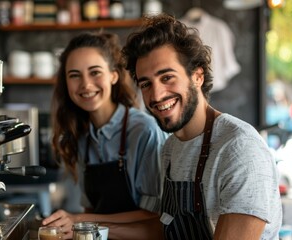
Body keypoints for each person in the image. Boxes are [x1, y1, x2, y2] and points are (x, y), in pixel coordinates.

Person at [121, 14, 283, 239]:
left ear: (197, 76)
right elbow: (166, 228)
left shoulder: (238, 147)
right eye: (146, 84)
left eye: (167, 77)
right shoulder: (170, 148)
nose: (156, 95)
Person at [42, 31, 168, 239]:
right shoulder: (81, 137)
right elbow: (92, 211)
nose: (85, 84)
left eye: (95, 72)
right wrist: (72, 225)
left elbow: (155, 215)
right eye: (74, 75)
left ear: (113, 75)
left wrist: (80, 221)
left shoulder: (143, 131)